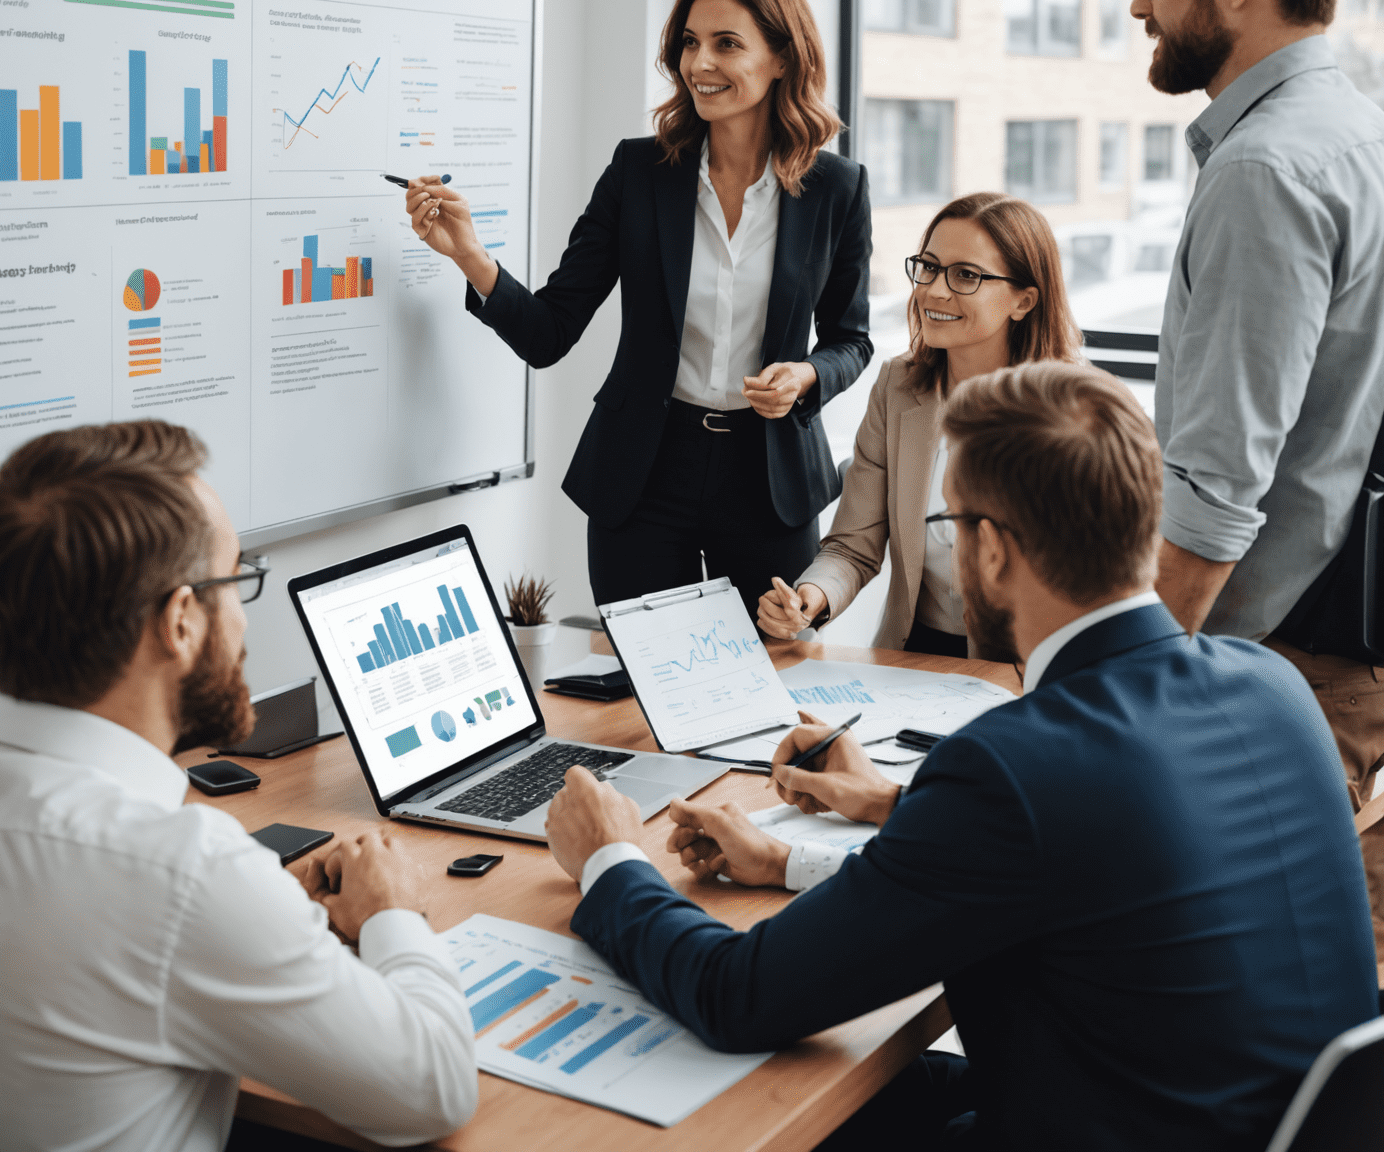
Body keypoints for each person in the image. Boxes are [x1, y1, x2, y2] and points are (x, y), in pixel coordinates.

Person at [542, 363, 1377, 1151]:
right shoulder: (1272, 686)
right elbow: (1086, 873)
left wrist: (609, 859)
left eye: (951, 520)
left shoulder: (1014, 767)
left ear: (992, 550)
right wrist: (794, 861)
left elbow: (740, 995)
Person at [0, 423, 477, 1151]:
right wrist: (390, 912)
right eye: (236, 581)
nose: (241, 620)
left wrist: (265, 911)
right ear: (180, 620)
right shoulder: (186, 876)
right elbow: (434, 1089)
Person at [401, 0, 872, 620]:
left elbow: (851, 340)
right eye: (688, 41)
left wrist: (807, 375)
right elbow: (548, 332)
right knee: (643, 693)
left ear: (782, 59)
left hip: (769, 479)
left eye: (726, 43)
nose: (698, 62)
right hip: (646, 474)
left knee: (775, 678)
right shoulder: (639, 173)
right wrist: (471, 257)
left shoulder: (837, 189)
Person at [1126, 0, 1384, 951]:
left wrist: (1119, 691)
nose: (1139, 4)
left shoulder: (1267, 168)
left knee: (1223, 1000)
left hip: (1270, 669)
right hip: (1337, 657)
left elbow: (1220, 485)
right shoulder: (1359, 128)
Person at [758, 191, 1080, 656]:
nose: (934, 290)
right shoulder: (898, 386)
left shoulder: (1075, 410)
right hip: (916, 655)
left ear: (1024, 301)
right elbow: (853, 545)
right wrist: (812, 599)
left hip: (1028, 665)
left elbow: (1091, 577)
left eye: (966, 275)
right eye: (928, 267)